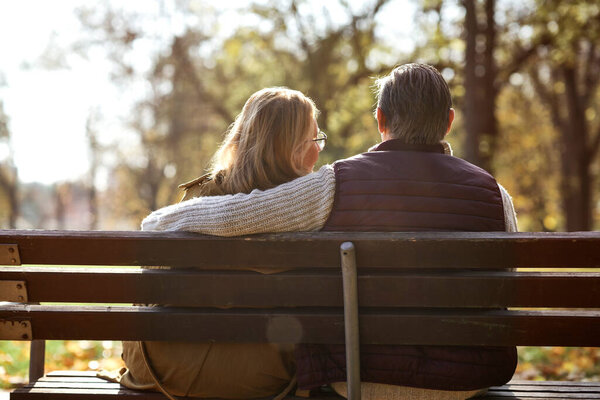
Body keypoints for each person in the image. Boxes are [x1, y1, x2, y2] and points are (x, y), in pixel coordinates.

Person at [142, 64, 518, 400]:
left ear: (380, 118)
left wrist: (159, 222)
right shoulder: (495, 196)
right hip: (470, 381)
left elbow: (232, 217)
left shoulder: (335, 184)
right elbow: (507, 286)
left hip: (357, 376)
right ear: (449, 121)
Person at [119, 87, 325, 400]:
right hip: (262, 377)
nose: (319, 150)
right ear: (292, 148)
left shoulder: (195, 203)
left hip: (158, 368)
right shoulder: (308, 211)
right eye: (315, 139)